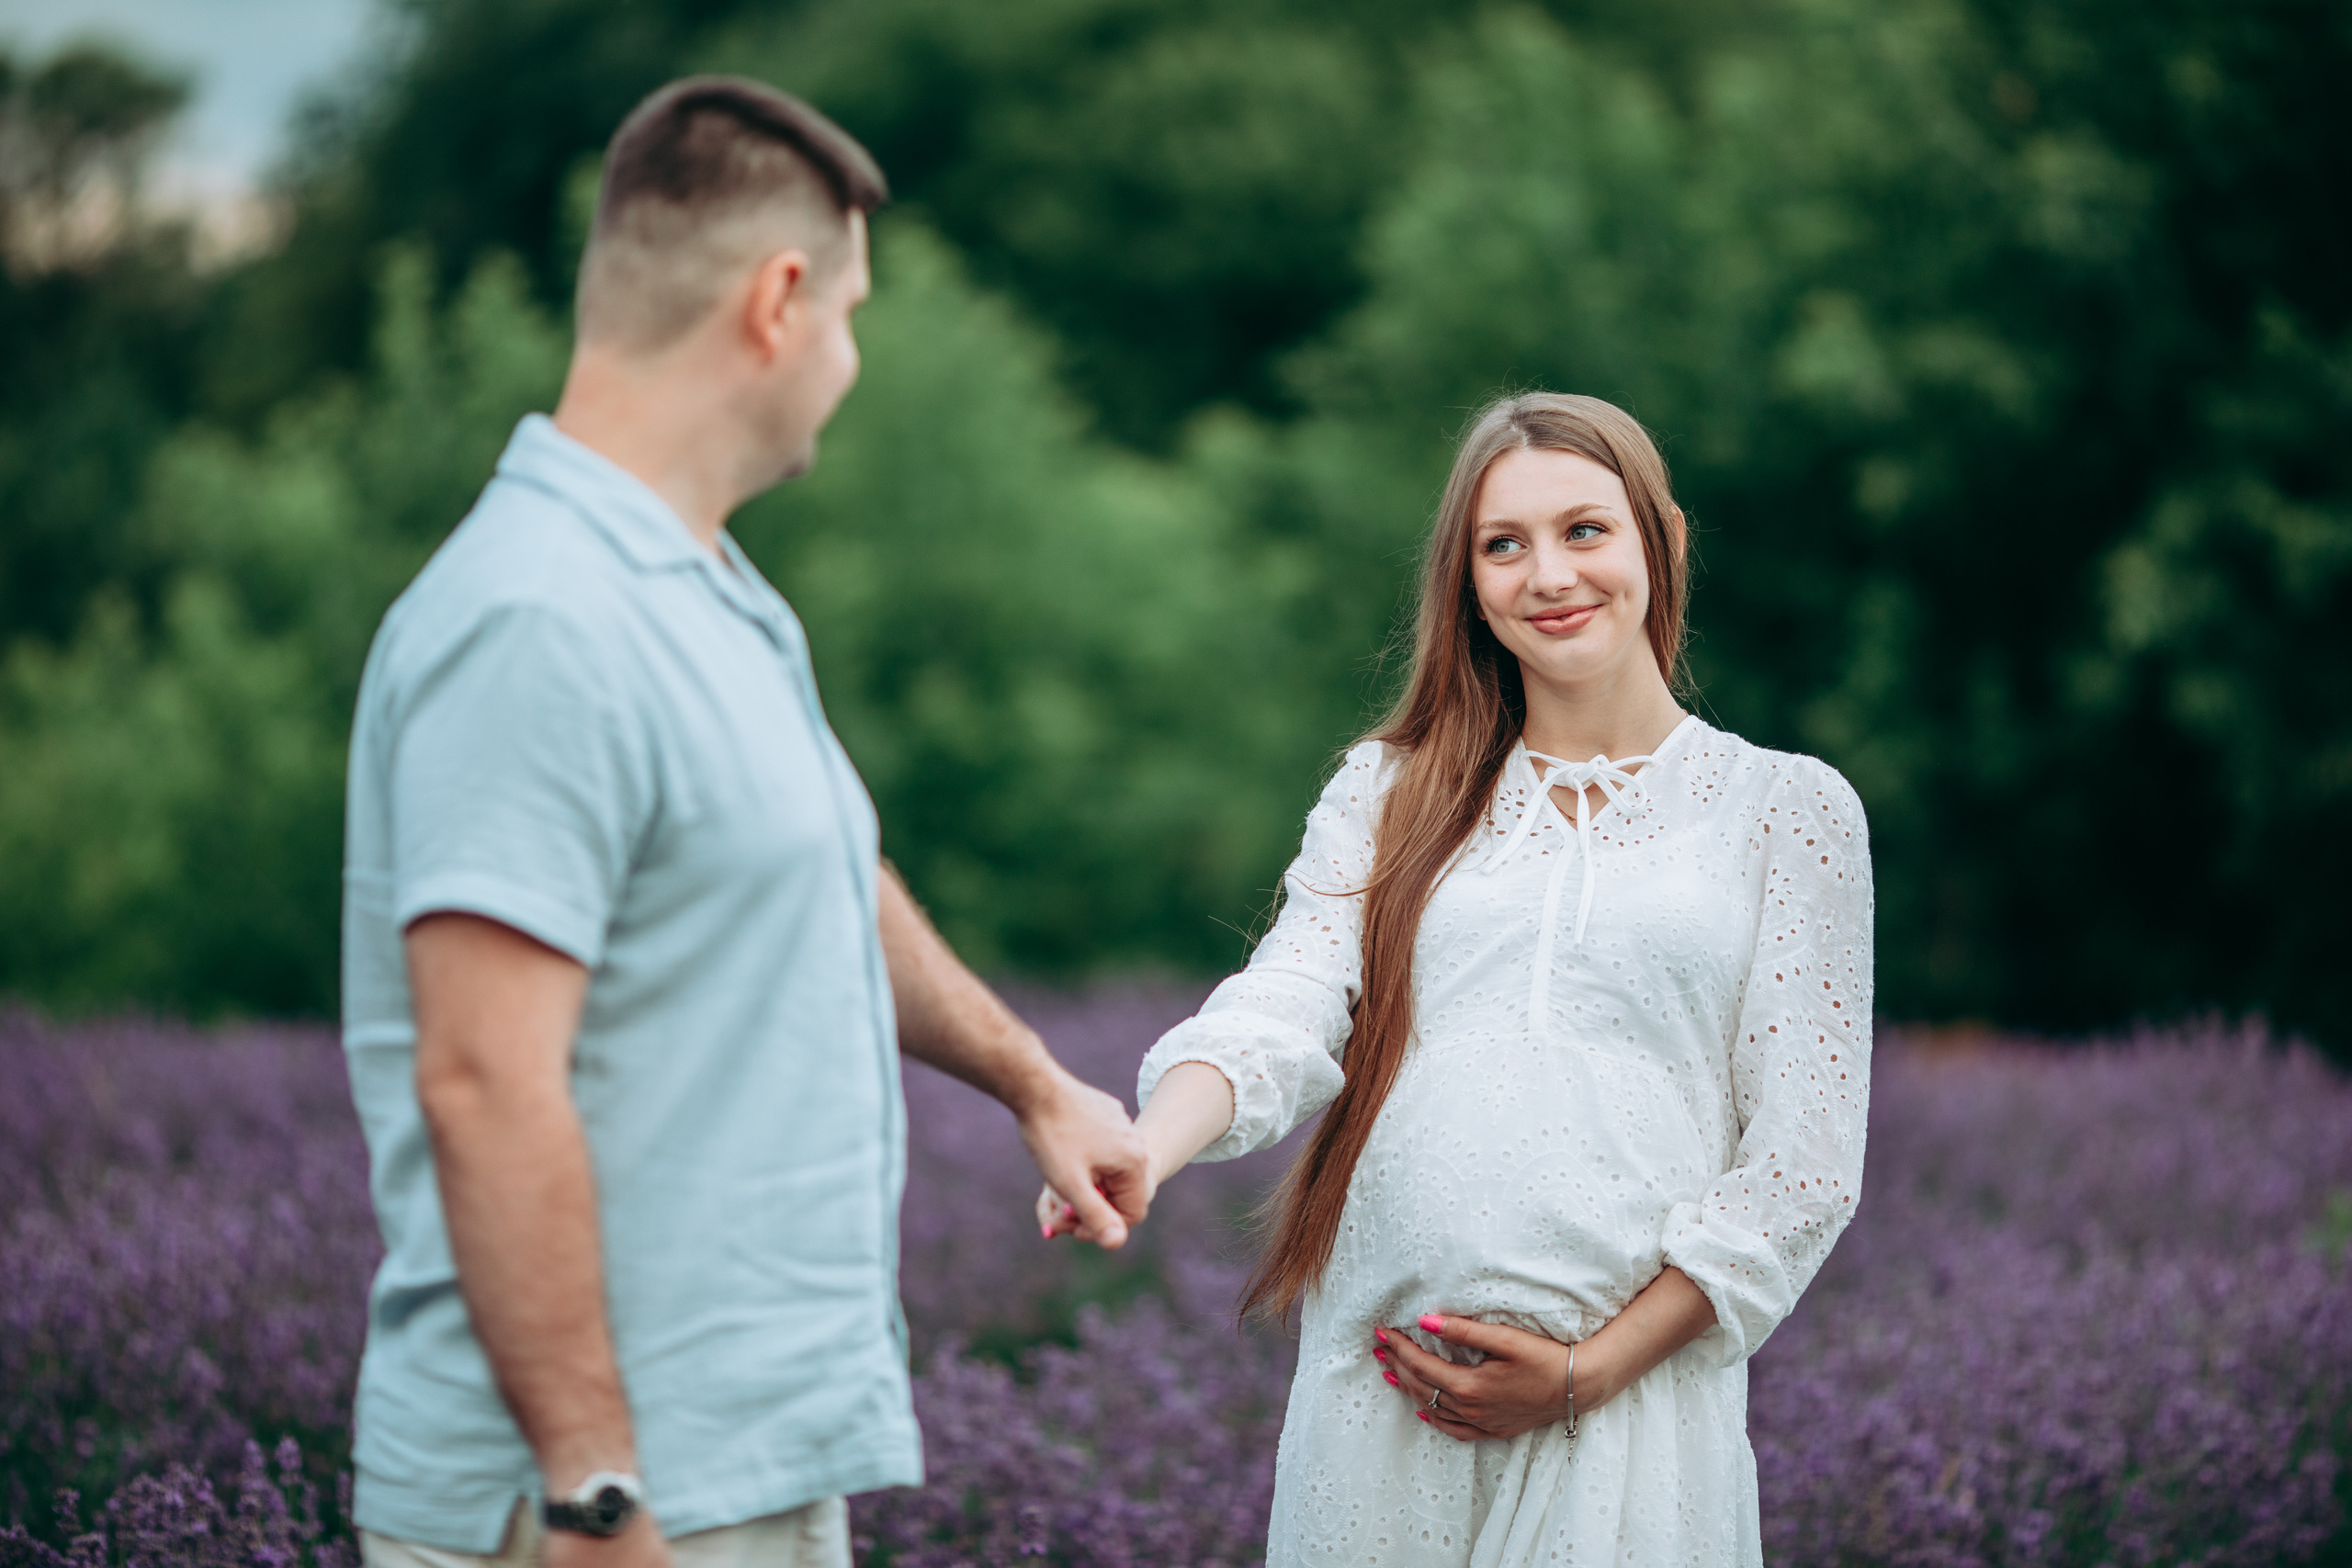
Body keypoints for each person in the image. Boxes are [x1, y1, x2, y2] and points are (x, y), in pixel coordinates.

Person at [342, 76, 1149, 1568]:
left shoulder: (707, 594)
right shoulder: (537, 616)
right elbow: (481, 1081)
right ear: (779, 302)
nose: (849, 360)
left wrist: (1032, 1081)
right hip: (595, 1504)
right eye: (850, 316)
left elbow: (820, 871)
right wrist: (594, 1489)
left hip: (740, 1467)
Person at [1046, 392, 1875, 1565]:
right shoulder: (1389, 793)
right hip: (1381, 1404)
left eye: (1584, 530)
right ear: (1468, 581)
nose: (1547, 574)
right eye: (1504, 545)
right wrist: (1151, 1142)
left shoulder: (1785, 811)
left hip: (1631, 1419)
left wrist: (1588, 1373)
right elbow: (1286, 1002)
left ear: (1661, 539)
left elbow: (1800, 1166)